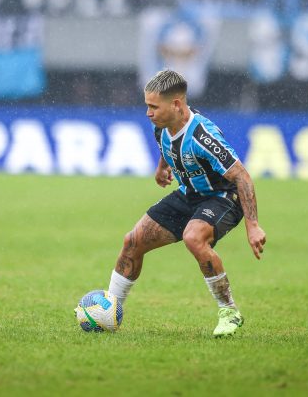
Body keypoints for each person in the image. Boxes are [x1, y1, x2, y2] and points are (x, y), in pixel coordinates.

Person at [107, 69, 266, 337]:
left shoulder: (203, 136)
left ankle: (229, 312)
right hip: (188, 195)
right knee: (132, 241)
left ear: (176, 104)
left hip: (223, 197)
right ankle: (109, 310)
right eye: (147, 105)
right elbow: (167, 145)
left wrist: (253, 226)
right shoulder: (161, 126)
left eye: (153, 106)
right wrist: (162, 167)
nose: (148, 112)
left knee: (194, 238)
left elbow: (242, 176)